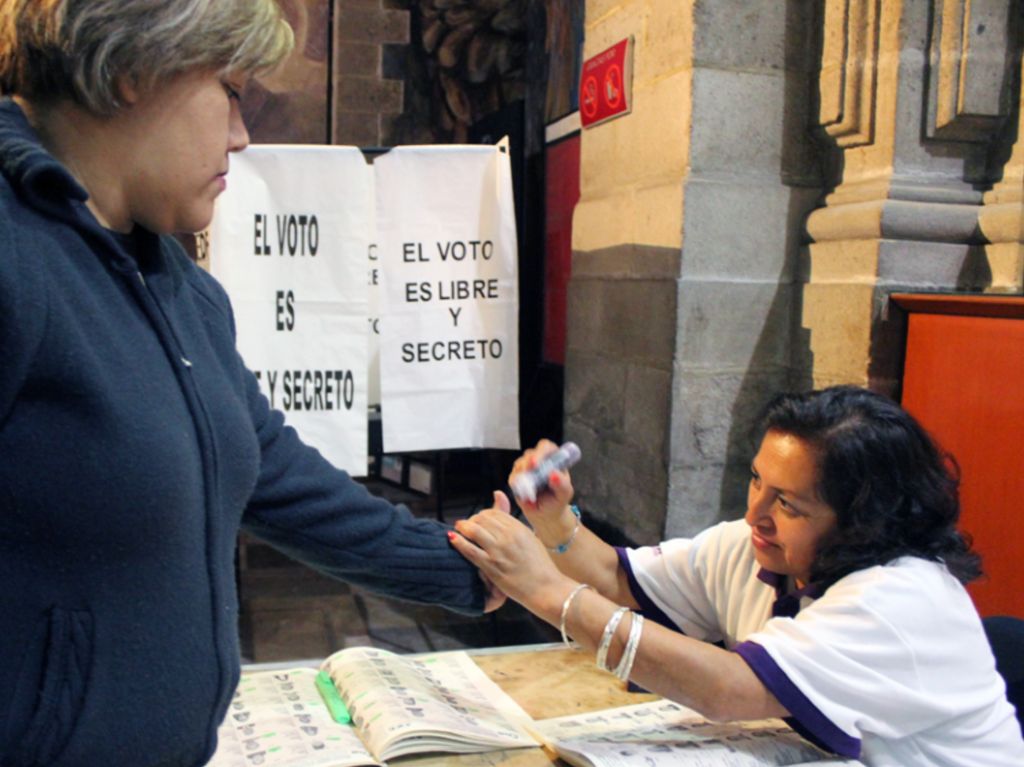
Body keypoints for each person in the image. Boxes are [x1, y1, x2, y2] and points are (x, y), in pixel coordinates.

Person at [0, 2, 501, 765]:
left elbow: (275, 474)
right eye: (231, 89)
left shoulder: (178, 285)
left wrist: (473, 568)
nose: (242, 133)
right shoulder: (15, 256)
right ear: (135, 69)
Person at [451, 386, 1024, 766]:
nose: (756, 514)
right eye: (756, 481)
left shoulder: (898, 599)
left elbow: (728, 690)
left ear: (865, 522)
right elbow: (614, 578)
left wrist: (545, 590)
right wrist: (553, 519)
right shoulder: (757, 547)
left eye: (789, 505)